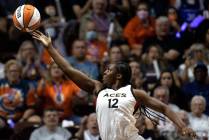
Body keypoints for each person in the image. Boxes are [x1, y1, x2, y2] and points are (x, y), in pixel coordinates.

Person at [31, 30, 196, 140]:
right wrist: (50, 47)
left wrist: (182, 127)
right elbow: (68, 68)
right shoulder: (98, 88)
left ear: (118, 75)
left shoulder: (135, 93)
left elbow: (165, 108)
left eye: (109, 70)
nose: (104, 72)